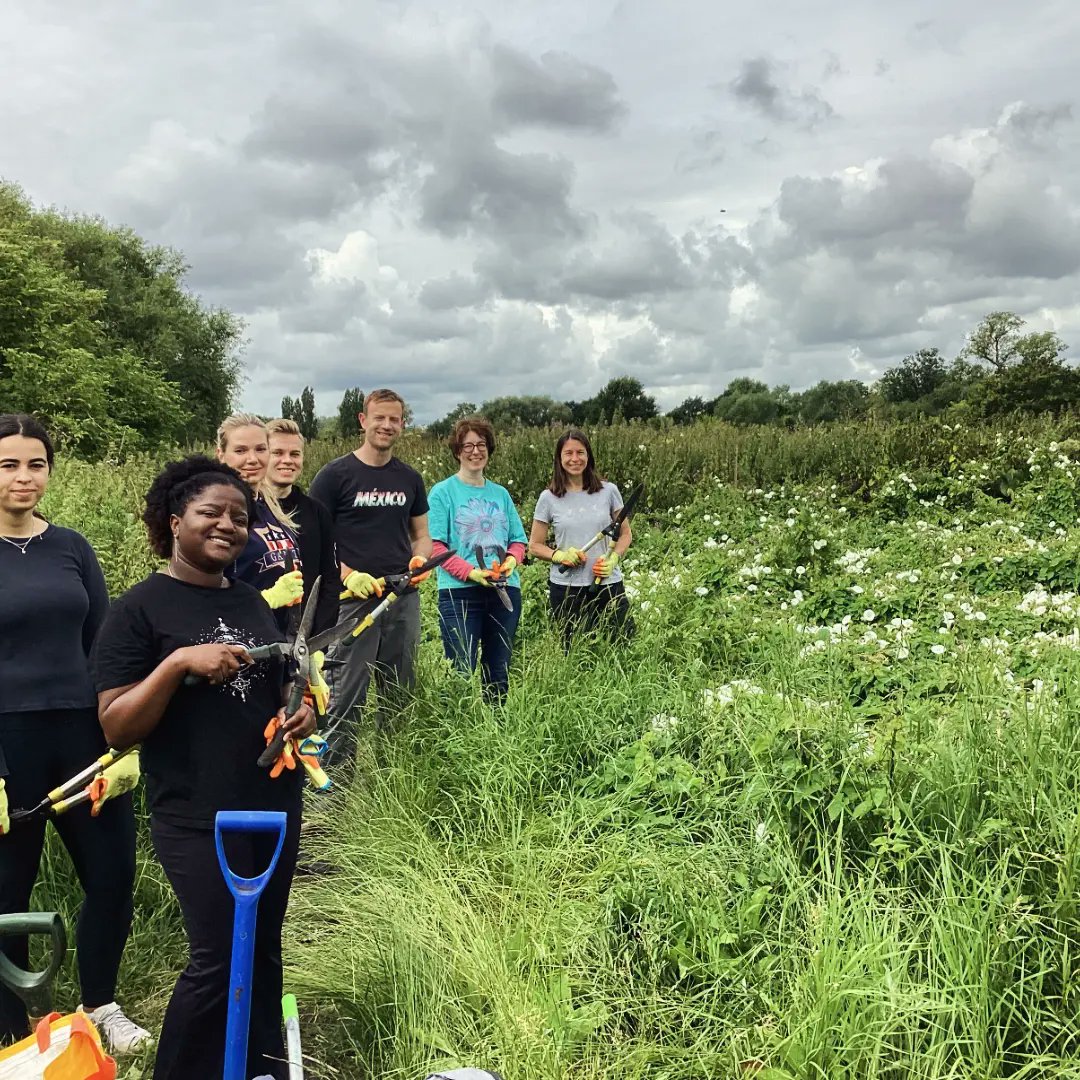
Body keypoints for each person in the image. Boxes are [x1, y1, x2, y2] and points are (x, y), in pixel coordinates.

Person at [90, 456, 316, 1080]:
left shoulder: (250, 600)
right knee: (218, 957)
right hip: (194, 809)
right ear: (174, 522)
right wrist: (174, 665)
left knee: (264, 950)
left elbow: (284, 689)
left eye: (238, 518)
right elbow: (116, 725)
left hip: (272, 800)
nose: (226, 526)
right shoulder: (139, 610)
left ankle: (260, 1066)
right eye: (209, 513)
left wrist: (300, 715)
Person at [0, 414, 149, 1053]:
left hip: (84, 737)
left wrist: (121, 743)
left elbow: (103, 646)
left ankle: (101, 1006)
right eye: (9, 464)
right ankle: (12, 1024)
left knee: (113, 873)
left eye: (36, 464)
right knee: (8, 891)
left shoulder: (72, 547)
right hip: (9, 743)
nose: (24, 477)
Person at [308, 389, 431, 758]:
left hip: (401, 598)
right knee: (345, 696)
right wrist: (347, 576)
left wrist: (419, 561)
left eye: (395, 419)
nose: (387, 425)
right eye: (380, 417)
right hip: (351, 603)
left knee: (398, 693)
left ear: (402, 425)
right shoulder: (334, 476)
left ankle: (390, 781)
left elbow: (421, 536)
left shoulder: (409, 478)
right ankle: (334, 795)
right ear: (363, 421)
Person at [427, 417, 527, 704]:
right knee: (460, 669)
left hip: (504, 591)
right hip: (459, 594)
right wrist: (471, 573)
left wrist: (510, 562)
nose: (475, 451)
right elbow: (436, 546)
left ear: (489, 449)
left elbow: (518, 540)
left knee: (498, 669)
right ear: (457, 451)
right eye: (467, 445)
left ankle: (494, 732)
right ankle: (459, 732)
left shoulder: (501, 494)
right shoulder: (443, 492)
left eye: (481, 444)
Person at [528, 429, 635, 649]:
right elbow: (535, 546)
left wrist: (613, 559)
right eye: (568, 453)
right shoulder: (548, 498)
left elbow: (625, 534)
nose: (575, 459)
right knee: (574, 653)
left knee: (621, 647)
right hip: (567, 589)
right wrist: (559, 555)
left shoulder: (609, 491)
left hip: (608, 584)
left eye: (580, 452)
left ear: (589, 456)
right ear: (559, 458)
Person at [216, 414, 305, 633]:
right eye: (240, 451)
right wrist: (265, 599)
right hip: (238, 645)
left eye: (260, 449)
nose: (252, 459)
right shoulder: (216, 514)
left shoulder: (269, 507)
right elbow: (201, 596)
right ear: (221, 455)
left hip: (279, 640)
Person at [265, 418, 339, 635]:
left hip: (304, 638)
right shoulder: (246, 510)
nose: (287, 460)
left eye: (294, 454)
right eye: (277, 453)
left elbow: (330, 581)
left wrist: (319, 640)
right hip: (256, 632)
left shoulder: (317, 513)